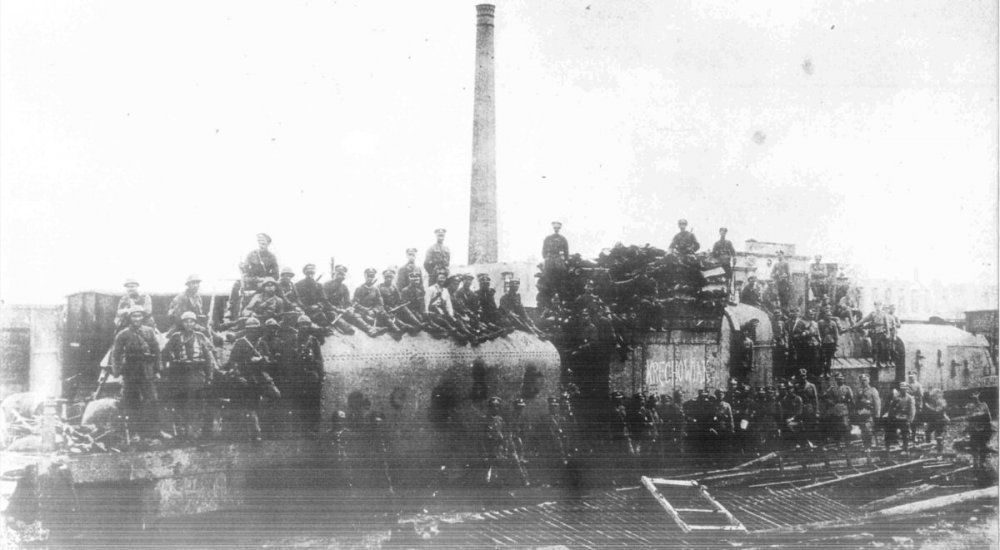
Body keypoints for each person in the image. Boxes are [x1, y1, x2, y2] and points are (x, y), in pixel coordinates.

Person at [162, 311, 218, 439]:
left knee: (199, 403)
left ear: (195, 323)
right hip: (180, 374)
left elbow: (209, 357)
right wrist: (167, 369)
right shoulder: (176, 337)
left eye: (191, 321)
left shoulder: (200, 337)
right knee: (181, 403)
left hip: (197, 373)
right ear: (182, 323)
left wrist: (209, 376)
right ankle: (184, 431)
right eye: (186, 321)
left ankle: (200, 431)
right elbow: (164, 353)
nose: (189, 324)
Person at [223, 317, 280, 441]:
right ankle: (255, 432)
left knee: (275, 395)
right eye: (250, 330)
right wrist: (238, 375)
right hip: (246, 375)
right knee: (250, 402)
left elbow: (269, 360)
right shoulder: (240, 343)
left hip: (260, 375)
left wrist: (262, 359)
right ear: (246, 330)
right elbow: (233, 362)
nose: (252, 332)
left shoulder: (261, 343)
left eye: (255, 329)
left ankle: (267, 426)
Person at [111, 306, 162, 440]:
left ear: (143, 317)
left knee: (152, 400)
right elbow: (115, 354)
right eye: (134, 316)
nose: (137, 319)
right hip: (131, 371)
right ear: (130, 318)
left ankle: (154, 432)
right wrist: (117, 373)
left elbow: (156, 351)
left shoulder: (149, 332)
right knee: (132, 401)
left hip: (146, 370)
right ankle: (135, 432)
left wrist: (157, 370)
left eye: (139, 316)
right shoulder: (123, 334)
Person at [228, 233, 280, 320]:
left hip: (266, 282)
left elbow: (276, 274)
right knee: (236, 284)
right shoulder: (252, 254)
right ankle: (230, 309)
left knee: (278, 288)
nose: (261, 246)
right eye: (260, 243)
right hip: (252, 281)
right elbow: (246, 271)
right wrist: (242, 267)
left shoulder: (271, 257)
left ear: (268, 244)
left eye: (264, 244)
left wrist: (266, 280)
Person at [325, 266, 384, 337]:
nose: (341, 276)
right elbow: (324, 302)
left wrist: (348, 308)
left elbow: (347, 302)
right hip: (328, 309)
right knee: (334, 316)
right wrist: (337, 309)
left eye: (343, 274)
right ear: (334, 273)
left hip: (340, 309)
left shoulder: (344, 287)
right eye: (339, 274)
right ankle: (348, 328)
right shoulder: (326, 285)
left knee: (354, 315)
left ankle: (369, 329)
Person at [291, 314, 324, 435]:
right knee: (299, 404)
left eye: (306, 324)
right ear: (298, 326)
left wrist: (321, 376)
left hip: (311, 377)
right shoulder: (292, 341)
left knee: (313, 404)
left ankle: (313, 429)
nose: (304, 327)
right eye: (302, 324)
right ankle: (299, 430)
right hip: (298, 377)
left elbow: (319, 359)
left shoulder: (313, 341)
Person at [378, 269, 422, 334]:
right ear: (384, 278)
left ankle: (419, 324)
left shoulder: (394, 287)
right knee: (391, 316)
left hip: (395, 307)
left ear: (393, 278)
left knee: (404, 308)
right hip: (386, 308)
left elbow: (399, 298)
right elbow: (379, 301)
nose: (389, 279)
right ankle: (407, 327)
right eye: (387, 277)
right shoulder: (379, 287)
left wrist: (400, 305)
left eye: (391, 277)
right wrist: (387, 307)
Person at [883, 382, 916, 455]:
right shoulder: (896, 397)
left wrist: (910, 420)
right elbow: (891, 408)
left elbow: (912, 411)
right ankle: (888, 448)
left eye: (904, 388)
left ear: (907, 389)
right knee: (889, 432)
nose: (903, 390)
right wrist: (890, 417)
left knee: (905, 434)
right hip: (895, 418)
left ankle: (905, 449)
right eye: (901, 388)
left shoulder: (910, 398)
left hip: (904, 419)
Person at [823, 373, 854, 447]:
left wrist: (851, 410)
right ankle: (838, 444)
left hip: (844, 410)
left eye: (841, 379)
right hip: (835, 410)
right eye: (838, 379)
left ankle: (848, 443)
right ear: (836, 380)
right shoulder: (832, 388)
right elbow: (825, 397)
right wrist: (830, 402)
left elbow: (852, 400)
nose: (840, 380)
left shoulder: (847, 388)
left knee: (846, 426)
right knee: (836, 428)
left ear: (843, 379)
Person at [541, 221, 570, 301]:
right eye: (555, 228)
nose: (556, 229)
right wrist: (546, 257)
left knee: (562, 277)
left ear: (559, 229)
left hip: (558, 260)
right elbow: (544, 250)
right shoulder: (548, 238)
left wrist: (565, 260)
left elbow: (566, 251)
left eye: (557, 228)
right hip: (549, 260)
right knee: (547, 278)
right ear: (553, 228)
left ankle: (560, 294)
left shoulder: (563, 239)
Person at [966, 390, 993, 469]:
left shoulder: (984, 405)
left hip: (983, 428)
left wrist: (978, 417)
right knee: (974, 446)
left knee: (983, 446)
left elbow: (989, 417)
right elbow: (969, 418)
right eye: (972, 395)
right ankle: (975, 463)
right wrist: (979, 416)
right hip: (974, 429)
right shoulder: (969, 406)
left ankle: (982, 463)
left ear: (978, 395)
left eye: (976, 394)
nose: (974, 397)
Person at [855, 374, 881, 454]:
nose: (863, 382)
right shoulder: (859, 390)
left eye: (865, 380)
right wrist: (857, 412)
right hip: (861, 414)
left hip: (869, 413)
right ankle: (865, 445)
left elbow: (877, 403)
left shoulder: (873, 390)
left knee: (868, 430)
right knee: (863, 430)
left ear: (868, 381)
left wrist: (877, 415)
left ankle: (869, 446)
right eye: (862, 380)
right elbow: (856, 402)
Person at [922, 388, 948, 453]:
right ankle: (928, 446)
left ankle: (940, 450)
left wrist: (929, 407)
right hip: (934, 420)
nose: (931, 397)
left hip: (940, 420)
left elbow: (938, 411)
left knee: (938, 435)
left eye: (933, 396)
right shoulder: (933, 402)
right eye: (931, 396)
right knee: (927, 432)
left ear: (937, 395)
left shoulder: (942, 401)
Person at [817, 307, 840, 378]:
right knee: (822, 357)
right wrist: (819, 339)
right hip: (822, 341)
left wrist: (836, 344)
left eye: (830, 315)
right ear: (824, 315)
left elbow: (836, 334)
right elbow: (818, 331)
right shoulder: (820, 322)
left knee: (829, 358)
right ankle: (821, 372)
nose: (829, 316)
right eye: (827, 315)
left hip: (831, 342)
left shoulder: (833, 323)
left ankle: (828, 372)